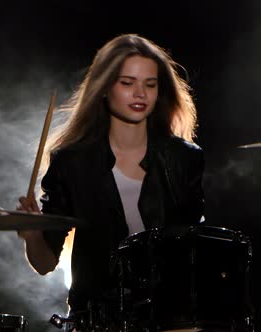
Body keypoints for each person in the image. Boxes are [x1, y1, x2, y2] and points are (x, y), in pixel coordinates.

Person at [17, 33, 205, 329]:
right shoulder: (71, 162)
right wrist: (31, 236)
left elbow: (195, 250)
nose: (140, 93)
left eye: (150, 84)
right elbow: (44, 264)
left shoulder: (184, 158)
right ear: (104, 88)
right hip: (96, 318)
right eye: (127, 83)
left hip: (169, 317)